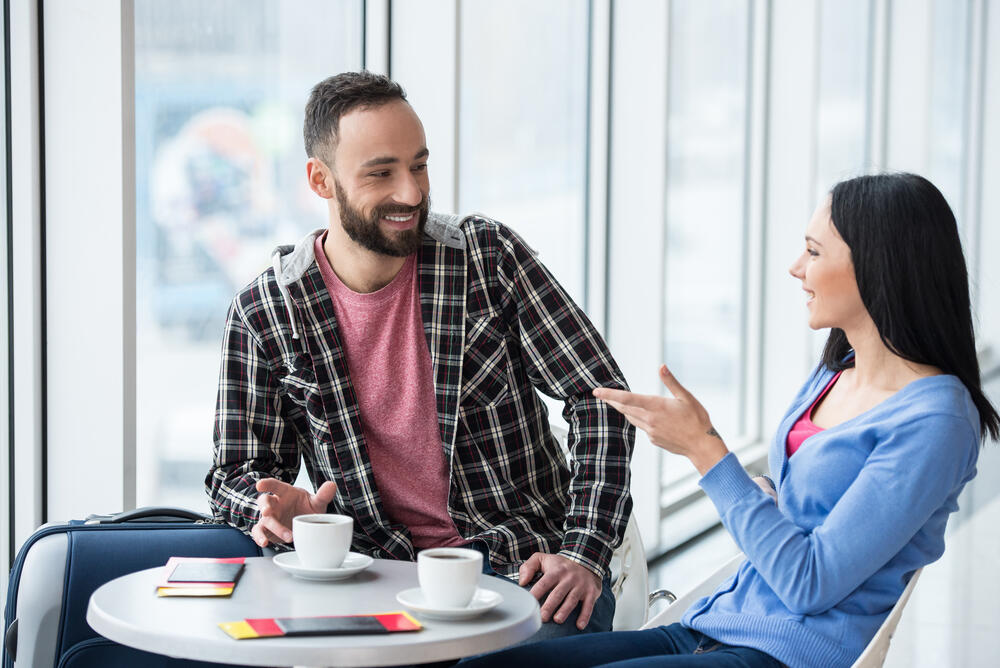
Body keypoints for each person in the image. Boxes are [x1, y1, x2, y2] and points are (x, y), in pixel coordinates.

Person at [459, 172, 997, 667]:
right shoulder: (836, 372)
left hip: (788, 653)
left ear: (879, 266)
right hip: (717, 623)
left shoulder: (937, 420)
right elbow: (793, 506)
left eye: (813, 251)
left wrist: (705, 451)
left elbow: (809, 582)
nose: (795, 267)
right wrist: (758, 490)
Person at [206, 71, 634, 638]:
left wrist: (583, 551)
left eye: (419, 165)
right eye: (381, 173)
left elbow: (600, 397)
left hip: (525, 570)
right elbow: (235, 473)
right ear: (321, 180)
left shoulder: (487, 258)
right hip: (373, 583)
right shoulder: (267, 314)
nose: (410, 192)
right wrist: (267, 508)